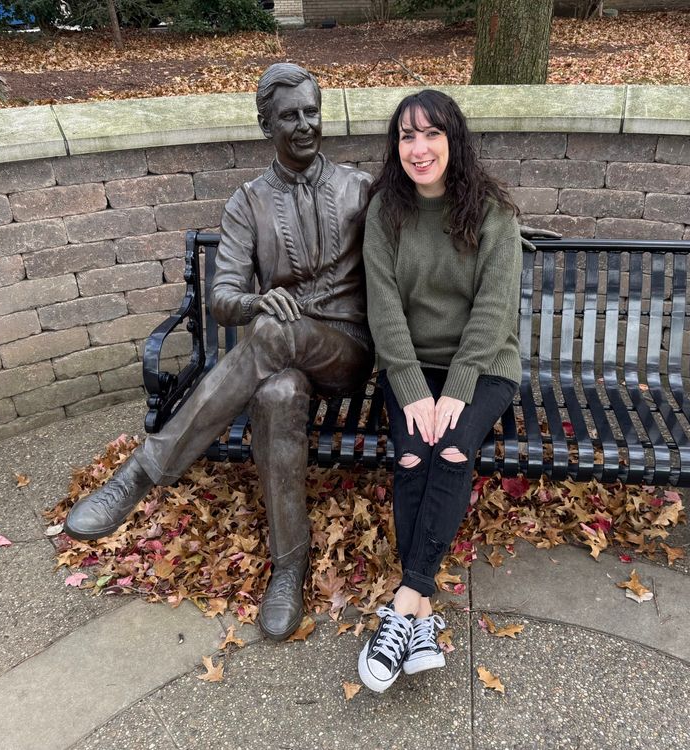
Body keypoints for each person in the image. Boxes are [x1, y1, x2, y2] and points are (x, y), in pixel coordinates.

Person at [64, 63, 374, 642]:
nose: (305, 125)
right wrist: (260, 302)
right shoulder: (247, 204)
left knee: (278, 338)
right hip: (281, 356)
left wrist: (493, 226)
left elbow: (426, 216)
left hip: (347, 351)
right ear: (266, 125)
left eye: (312, 112)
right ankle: (289, 567)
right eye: (290, 116)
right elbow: (224, 297)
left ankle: (144, 470)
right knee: (278, 394)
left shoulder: (358, 188)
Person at [357, 90, 522, 693]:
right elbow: (384, 309)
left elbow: (493, 311)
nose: (418, 148)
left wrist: (455, 389)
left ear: (454, 140)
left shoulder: (494, 214)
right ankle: (419, 618)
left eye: (431, 134)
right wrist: (409, 387)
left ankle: (404, 604)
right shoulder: (385, 213)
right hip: (410, 368)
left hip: (483, 370)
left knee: (451, 449)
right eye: (406, 136)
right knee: (411, 454)